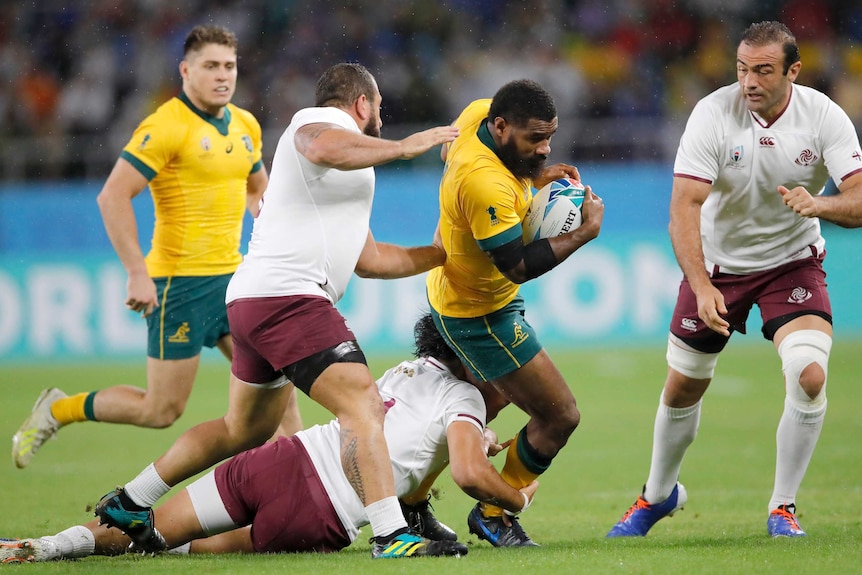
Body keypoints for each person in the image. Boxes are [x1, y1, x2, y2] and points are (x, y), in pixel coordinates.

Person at [92, 62, 463, 559]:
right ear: (360, 104)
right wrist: (403, 146)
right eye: (378, 105)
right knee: (362, 404)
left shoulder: (352, 171)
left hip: (255, 299)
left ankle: (131, 500)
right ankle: (392, 535)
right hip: (289, 296)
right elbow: (321, 145)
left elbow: (371, 260)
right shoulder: (317, 122)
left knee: (242, 430)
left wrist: (441, 254)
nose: (382, 114)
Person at [0, 314, 544, 563]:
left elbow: (406, 438)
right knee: (184, 549)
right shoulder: (467, 401)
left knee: (147, 527)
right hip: (317, 511)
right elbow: (470, 474)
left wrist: (472, 438)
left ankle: (50, 546)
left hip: (282, 459)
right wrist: (516, 497)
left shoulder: (412, 370)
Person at [606, 21, 862, 539]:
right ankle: (657, 496)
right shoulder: (712, 114)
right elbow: (684, 207)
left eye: (763, 70)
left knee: (810, 375)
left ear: (793, 70)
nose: (749, 81)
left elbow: (857, 200)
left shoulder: (824, 117)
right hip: (718, 267)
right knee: (682, 387)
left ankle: (782, 507)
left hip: (791, 261)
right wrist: (701, 286)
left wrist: (820, 205)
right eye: (743, 69)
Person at [11, 24, 303, 469]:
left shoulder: (245, 125)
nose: (223, 75)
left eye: (229, 66)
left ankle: (305, 487)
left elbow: (254, 189)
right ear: (186, 70)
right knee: (161, 410)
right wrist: (136, 272)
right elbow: (112, 196)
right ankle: (58, 409)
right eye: (211, 66)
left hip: (235, 283)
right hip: (179, 286)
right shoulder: (165, 126)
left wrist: (271, 222)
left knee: (279, 398)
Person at [425, 79, 605, 547]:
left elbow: (449, 155)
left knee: (481, 406)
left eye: (548, 137)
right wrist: (584, 233)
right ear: (501, 127)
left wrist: (527, 176)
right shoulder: (484, 182)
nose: (545, 149)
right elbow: (518, 265)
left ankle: (410, 498)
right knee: (559, 416)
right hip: (481, 312)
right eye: (534, 141)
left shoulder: (478, 114)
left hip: (467, 293)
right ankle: (495, 512)